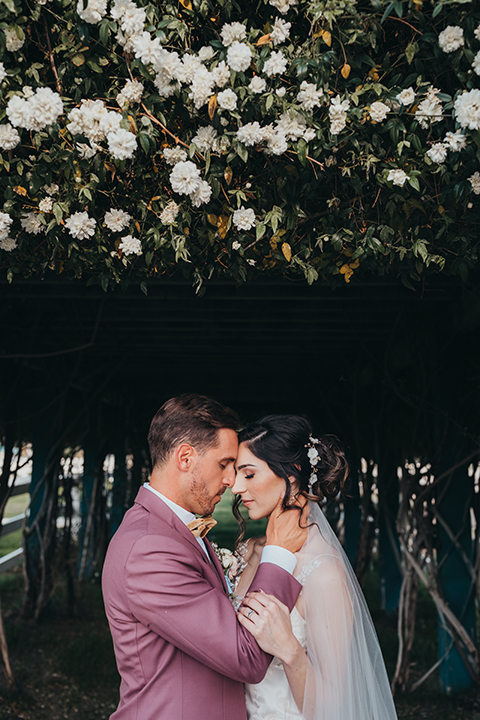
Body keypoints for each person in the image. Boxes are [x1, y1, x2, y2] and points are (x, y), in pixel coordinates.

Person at [102, 394, 307, 720]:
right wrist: (279, 553)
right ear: (185, 458)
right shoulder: (148, 549)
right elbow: (247, 657)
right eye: (224, 464)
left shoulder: (173, 529)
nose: (231, 480)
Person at [231, 414, 398, 720]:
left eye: (249, 474)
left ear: (292, 473)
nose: (236, 487)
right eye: (235, 474)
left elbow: (335, 707)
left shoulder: (324, 575)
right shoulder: (247, 550)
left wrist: (291, 651)